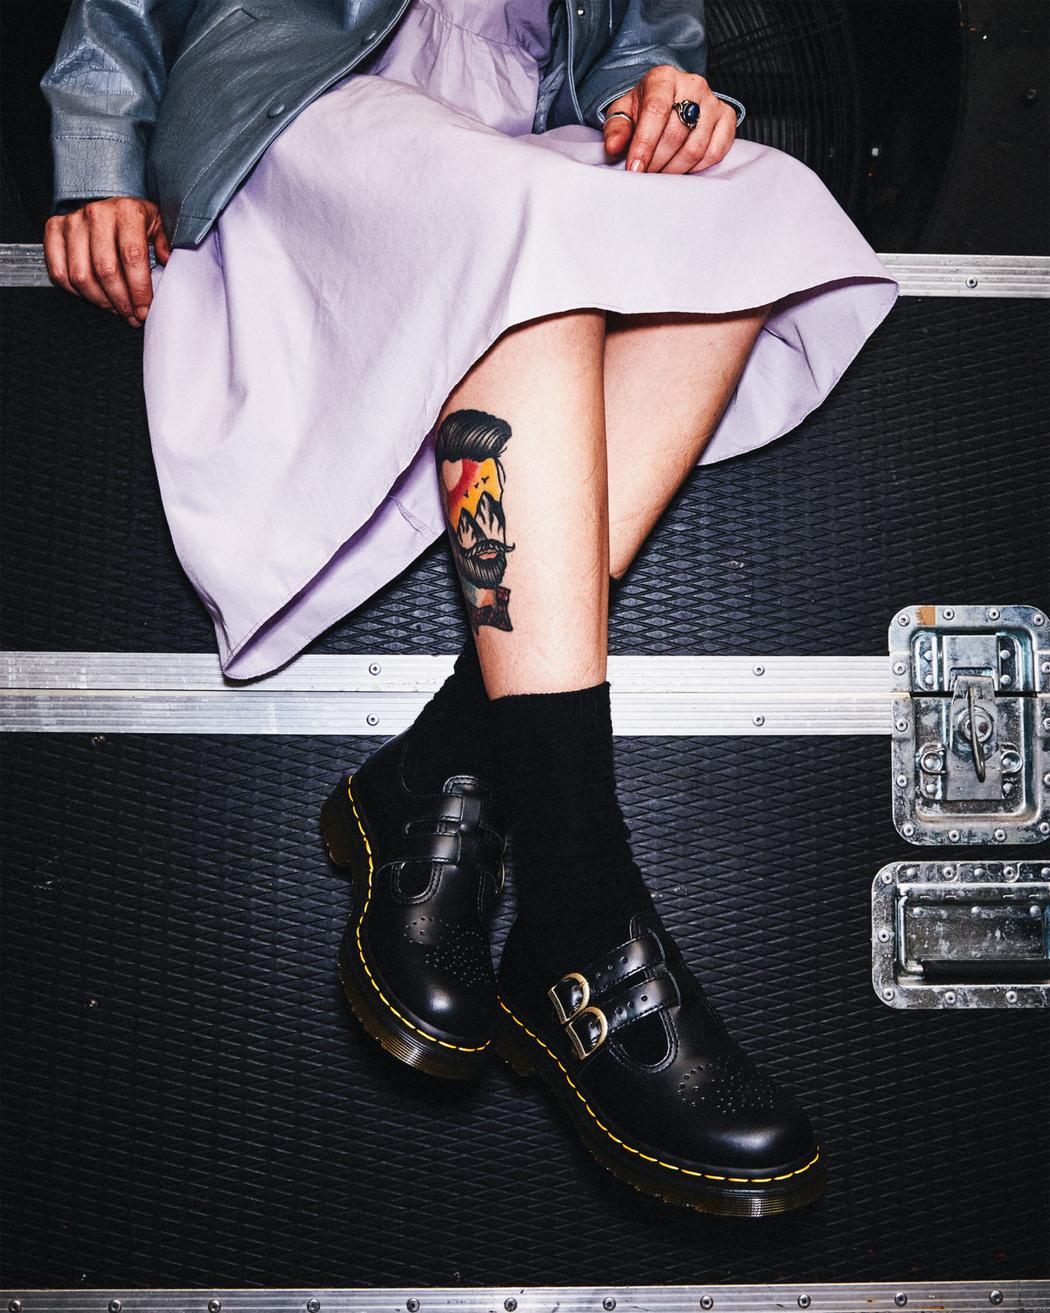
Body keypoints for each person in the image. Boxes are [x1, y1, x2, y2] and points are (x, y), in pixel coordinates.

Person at [41, 0, 898, 1217]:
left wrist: (659, 91)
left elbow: (643, 41)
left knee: (754, 203)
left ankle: (447, 760)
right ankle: (582, 909)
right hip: (298, 121)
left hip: (509, 147)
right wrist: (97, 148)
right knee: (524, 236)